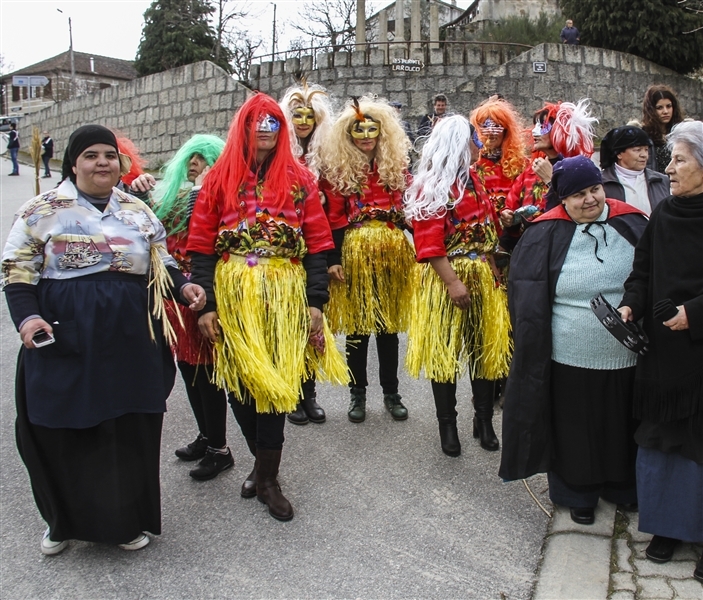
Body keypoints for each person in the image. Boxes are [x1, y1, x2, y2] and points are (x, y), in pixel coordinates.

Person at [1, 124, 206, 554]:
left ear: (120, 162)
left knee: (127, 427)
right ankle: (61, 522)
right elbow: (17, 271)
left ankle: (126, 521)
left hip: (131, 336)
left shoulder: (137, 210)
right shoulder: (42, 210)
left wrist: (182, 287)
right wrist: (27, 318)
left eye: (109, 156)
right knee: (59, 426)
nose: (101, 163)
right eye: (91, 155)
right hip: (64, 334)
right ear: (73, 163)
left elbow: (160, 261)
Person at [186, 94, 347, 521]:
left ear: (282, 131)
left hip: (284, 291)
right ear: (243, 127)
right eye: (256, 122)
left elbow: (318, 245)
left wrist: (316, 302)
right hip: (233, 292)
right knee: (240, 382)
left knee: (276, 383)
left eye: (273, 123)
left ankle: (269, 480)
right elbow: (200, 248)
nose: (264, 129)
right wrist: (206, 306)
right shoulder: (217, 181)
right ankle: (261, 464)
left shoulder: (300, 181)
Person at [499, 155, 649, 525]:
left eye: (595, 189)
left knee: (620, 423)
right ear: (562, 198)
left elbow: (651, 275)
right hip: (570, 355)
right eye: (579, 194)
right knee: (575, 428)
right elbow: (526, 299)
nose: (590, 199)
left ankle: (622, 486)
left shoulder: (630, 222)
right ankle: (578, 493)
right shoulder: (543, 233)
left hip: (626, 354)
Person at [618, 121, 703, 581]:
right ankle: (669, 529)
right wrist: (631, 303)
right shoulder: (666, 214)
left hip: (700, 354)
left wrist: (696, 313)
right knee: (662, 441)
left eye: (679, 160)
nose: (667, 168)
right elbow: (642, 270)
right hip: (663, 355)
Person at [404, 116, 512, 455]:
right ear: (459, 145)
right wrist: (452, 282)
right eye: (474, 140)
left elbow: (488, 232)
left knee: (483, 351)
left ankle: (483, 421)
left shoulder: (475, 180)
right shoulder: (433, 185)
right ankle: (447, 427)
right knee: (444, 354)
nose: (480, 145)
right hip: (448, 280)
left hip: (482, 275)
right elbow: (428, 242)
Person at [320, 97, 414, 424]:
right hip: (355, 254)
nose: (366, 136)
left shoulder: (396, 167)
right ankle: (356, 394)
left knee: (387, 328)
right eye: (359, 131)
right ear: (348, 133)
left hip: (392, 254)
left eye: (372, 130)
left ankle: (392, 393)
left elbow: (411, 209)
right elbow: (332, 217)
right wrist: (333, 258)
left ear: (382, 131)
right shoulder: (339, 171)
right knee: (359, 328)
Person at [151, 134, 233, 480]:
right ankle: (206, 436)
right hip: (178, 297)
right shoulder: (178, 196)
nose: (194, 163)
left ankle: (220, 449)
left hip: (205, 294)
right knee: (188, 369)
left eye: (202, 157)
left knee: (208, 374)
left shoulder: (215, 197)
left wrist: (202, 190)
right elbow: (154, 225)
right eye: (191, 157)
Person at [279, 78, 334, 425]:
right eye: (296, 115)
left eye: (308, 116)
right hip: (285, 253)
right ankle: (291, 394)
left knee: (313, 322)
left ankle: (309, 392)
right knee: (288, 323)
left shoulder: (327, 158)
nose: (302, 122)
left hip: (316, 248)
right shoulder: (279, 157)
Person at [501, 99, 597, 249]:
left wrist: (551, 181)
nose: (534, 132)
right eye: (536, 126)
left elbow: (582, 211)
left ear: (560, 129)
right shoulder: (532, 170)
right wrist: (509, 219)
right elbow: (512, 207)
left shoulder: (579, 169)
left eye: (543, 126)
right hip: (530, 251)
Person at [600, 125, 670, 216]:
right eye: (637, 150)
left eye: (646, 150)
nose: (644, 155)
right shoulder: (602, 183)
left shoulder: (662, 181)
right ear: (619, 154)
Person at [641, 85, 685, 174]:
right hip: (656, 184)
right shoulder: (644, 135)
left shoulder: (682, 132)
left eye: (668, 106)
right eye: (659, 108)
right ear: (651, 110)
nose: (665, 111)